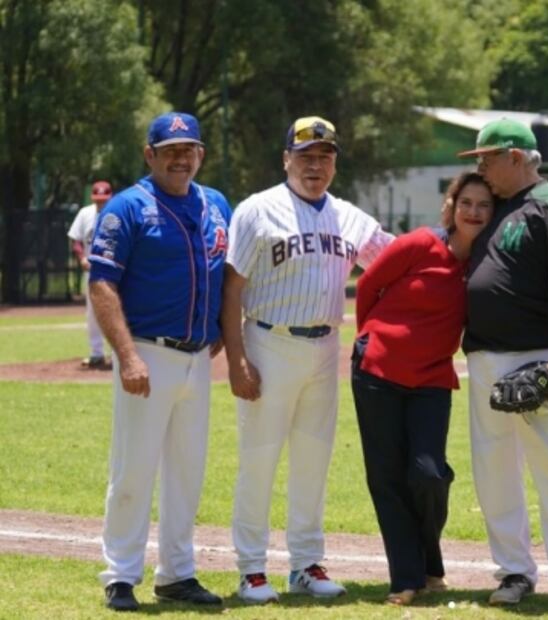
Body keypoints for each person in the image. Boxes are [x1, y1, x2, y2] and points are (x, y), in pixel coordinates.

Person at [222, 115, 394, 604]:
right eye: (305, 156)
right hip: (268, 342)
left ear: (335, 162)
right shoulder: (257, 210)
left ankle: (306, 564)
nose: (314, 165)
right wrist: (236, 360)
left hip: (323, 348)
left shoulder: (349, 217)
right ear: (286, 160)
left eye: (324, 156)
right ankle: (251, 570)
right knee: (258, 462)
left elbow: (398, 260)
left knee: (313, 462)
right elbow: (231, 288)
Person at [89, 112, 231, 611]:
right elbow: (102, 283)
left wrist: (221, 336)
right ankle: (121, 575)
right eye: (169, 149)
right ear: (149, 155)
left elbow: (226, 275)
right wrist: (126, 355)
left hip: (197, 357)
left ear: (200, 154)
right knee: (133, 471)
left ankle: (177, 573)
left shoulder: (215, 203)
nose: (179, 157)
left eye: (187, 148)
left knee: (186, 473)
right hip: (147, 352)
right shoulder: (127, 207)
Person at [456, 119, 548, 611]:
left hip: (539, 357)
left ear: (516, 157)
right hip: (485, 356)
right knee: (494, 472)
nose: (480, 167)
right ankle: (514, 571)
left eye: (487, 157)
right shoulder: (492, 206)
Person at [352, 173, 494, 606]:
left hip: (432, 378)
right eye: (465, 201)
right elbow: (367, 285)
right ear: (450, 205)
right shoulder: (418, 243)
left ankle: (429, 558)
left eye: (483, 205)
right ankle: (407, 577)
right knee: (387, 478)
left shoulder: (485, 263)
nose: (473, 211)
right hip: (378, 372)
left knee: (430, 475)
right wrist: (371, 338)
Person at [68, 180, 113, 369]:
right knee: (93, 314)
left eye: (104, 200)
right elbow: (76, 239)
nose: (101, 203)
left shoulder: (120, 211)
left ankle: (121, 354)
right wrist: (81, 258)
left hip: (116, 271)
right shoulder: (85, 213)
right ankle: (97, 355)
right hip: (93, 272)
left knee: (120, 311)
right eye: (98, 200)